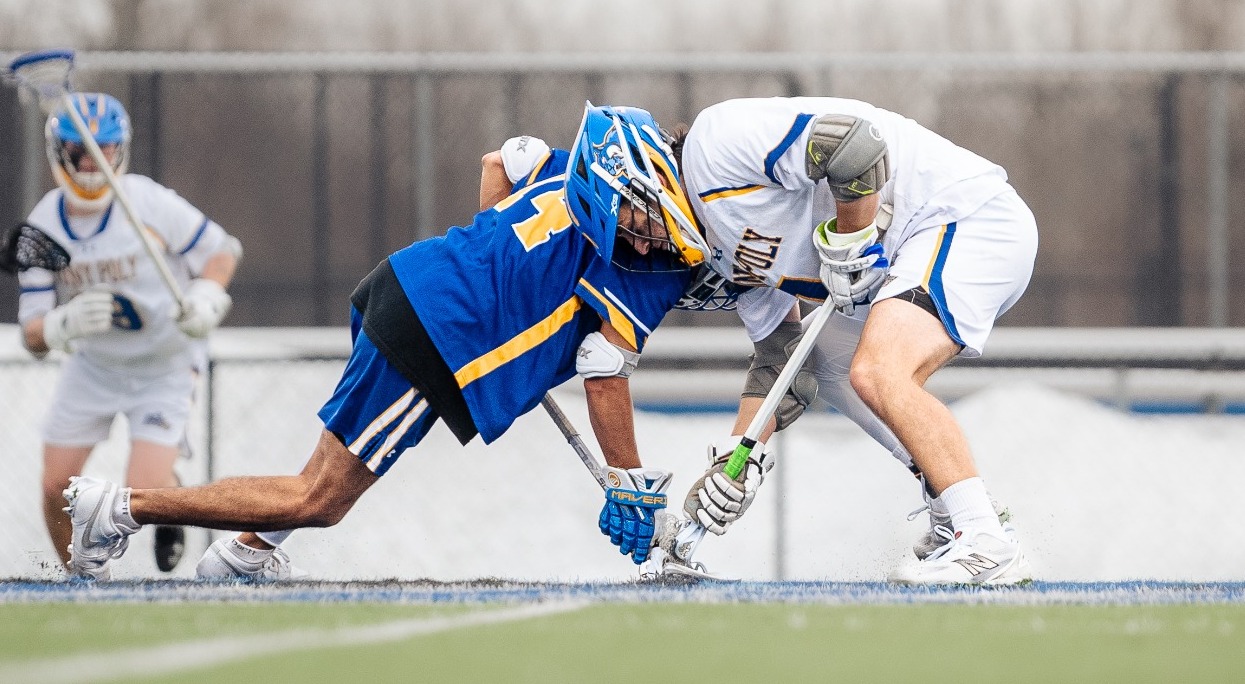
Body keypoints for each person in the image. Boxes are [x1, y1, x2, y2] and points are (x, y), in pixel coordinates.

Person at [59, 103, 708, 581]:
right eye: (638, 219)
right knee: (320, 496)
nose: (645, 238)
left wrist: (492, 260)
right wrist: (627, 481)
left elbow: (500, 161)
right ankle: (118, 509)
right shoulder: (641, 267)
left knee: (327, 476)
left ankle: (242, 554)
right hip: (438, 329)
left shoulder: (575, 167)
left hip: (418, 286)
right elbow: (603, 368)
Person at [673, 97, 1038, 585]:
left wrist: (852, 243)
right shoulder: (724, 256)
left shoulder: (713, 144)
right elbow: (784, 363)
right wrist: (737, 461)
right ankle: (956, 508)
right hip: (919, 243)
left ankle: (986, 540)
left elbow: (851, 146)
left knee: (878, 372)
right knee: (829, 360)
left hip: (964, 217)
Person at [16, 93, 240, 577]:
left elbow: (221, 252)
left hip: (165, 362)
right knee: (56, 486)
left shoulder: (146, 202)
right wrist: (60, 326)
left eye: (107, 150)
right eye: (82, 153)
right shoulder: (41, 227)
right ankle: (79, 581)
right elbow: (31, 334)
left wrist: (205, 296)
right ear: (60, 156)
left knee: (144, 493)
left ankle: (171, 495)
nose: (96, 164)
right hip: (93, 366)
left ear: (123, 150)